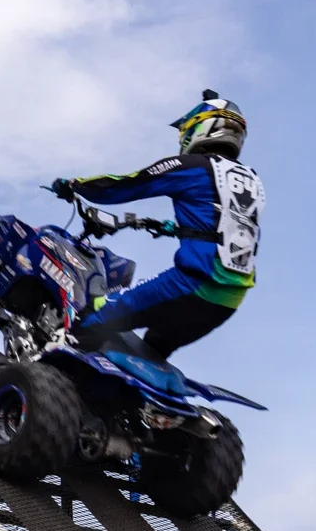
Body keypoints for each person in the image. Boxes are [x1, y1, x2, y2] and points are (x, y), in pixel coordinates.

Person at [52, 92, 260, 360]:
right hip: (228, 300)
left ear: (199, 127)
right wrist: (173, 228)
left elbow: (127, 183)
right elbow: (227, 223)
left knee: (91, 318)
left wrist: (74, 185)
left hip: (191, 284)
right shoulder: (251, 181)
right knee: (150, 349)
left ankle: (38, 380)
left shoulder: (193, 166)